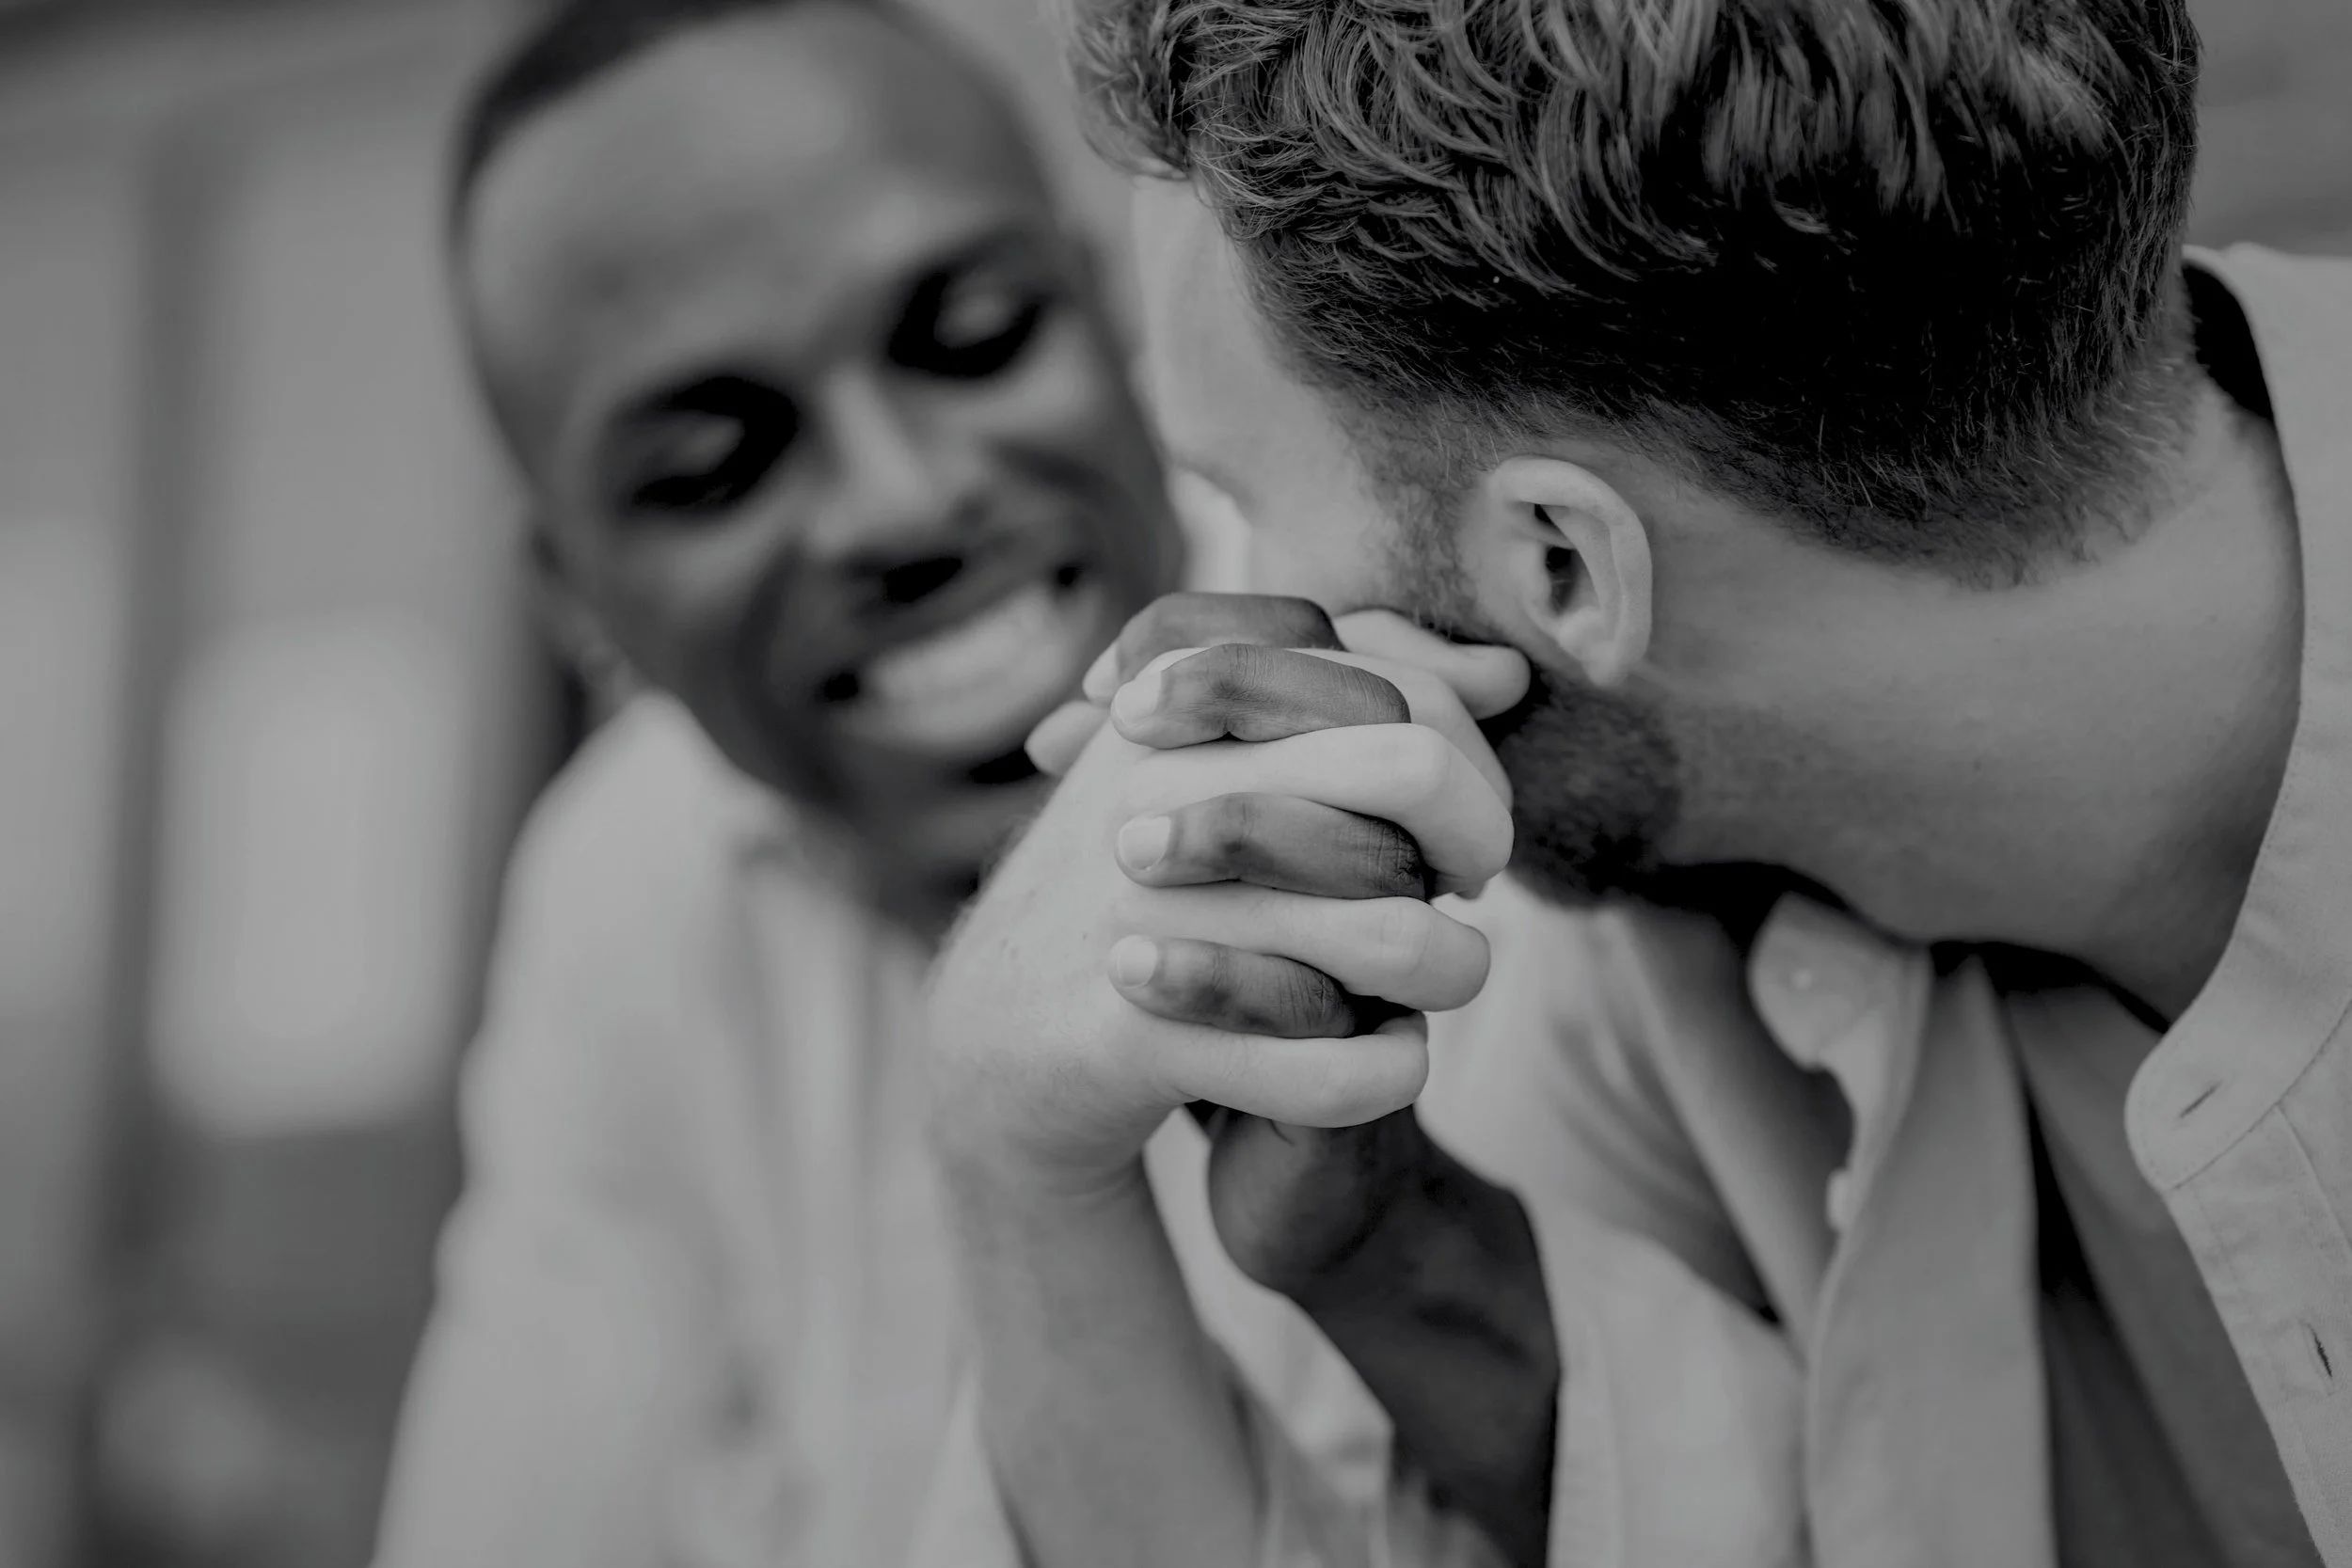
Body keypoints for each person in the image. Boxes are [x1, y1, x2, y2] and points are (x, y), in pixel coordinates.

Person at [918, 1, 2352, 1565]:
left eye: (1251, 502)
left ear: (1563, 565)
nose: (1237, 610)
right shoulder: (1630, 929)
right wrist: (1037, 1156)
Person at [368, 2, 1221, 1562]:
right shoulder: (631, 870)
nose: (899, 500)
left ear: (1109, 317)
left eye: (972, 338)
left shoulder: (1437, 747)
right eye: (712, 468)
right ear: (576, 597)